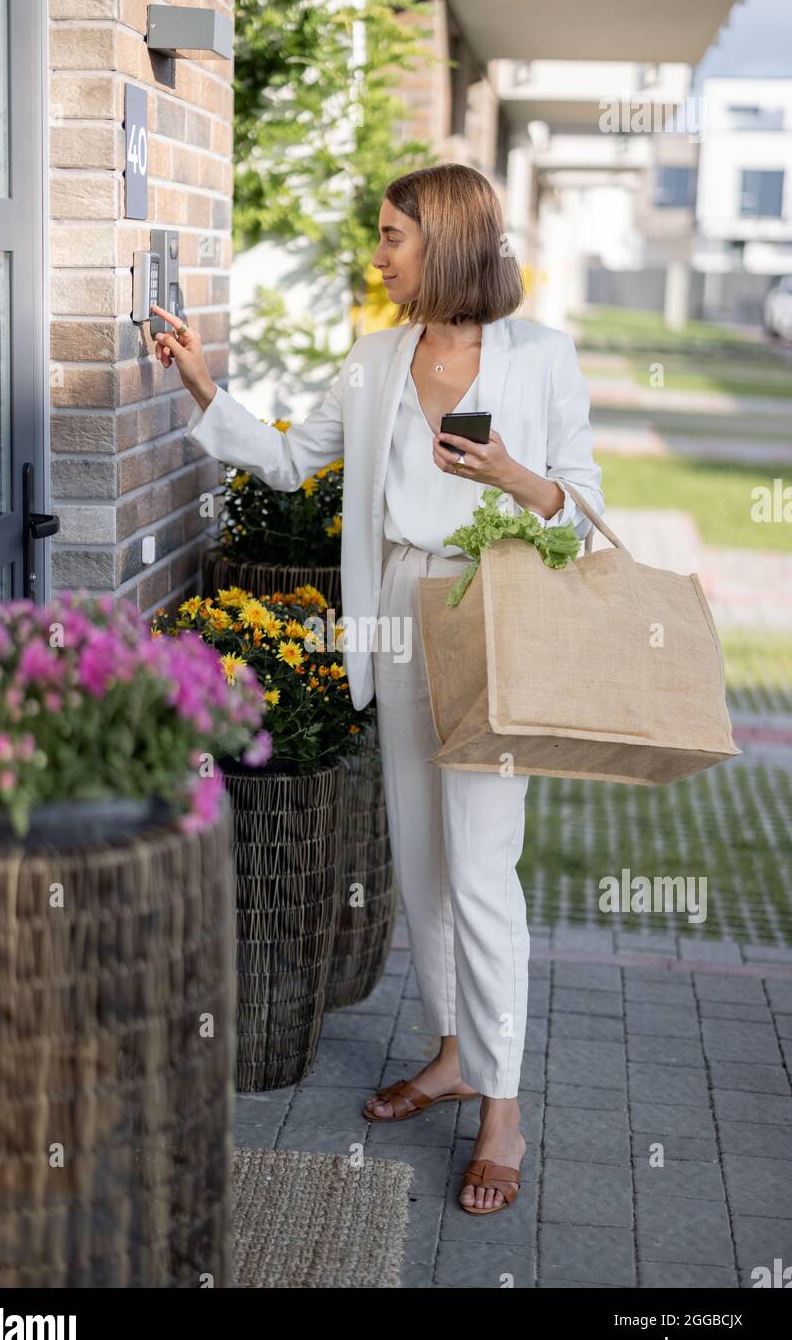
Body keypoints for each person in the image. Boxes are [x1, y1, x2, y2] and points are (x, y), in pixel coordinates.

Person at [152, 162, 604, 1216]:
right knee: (423, 858)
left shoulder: (541, 359)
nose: (378, 252)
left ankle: (503, 1109)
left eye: (393, 234)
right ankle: (451, 1049)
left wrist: (515, 481)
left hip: (495, 612)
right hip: (400, 611)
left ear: (443, 242)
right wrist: (199, 382)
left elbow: (579, 513)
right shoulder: (374, 360)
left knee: (486, 868)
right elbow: (281, 460)